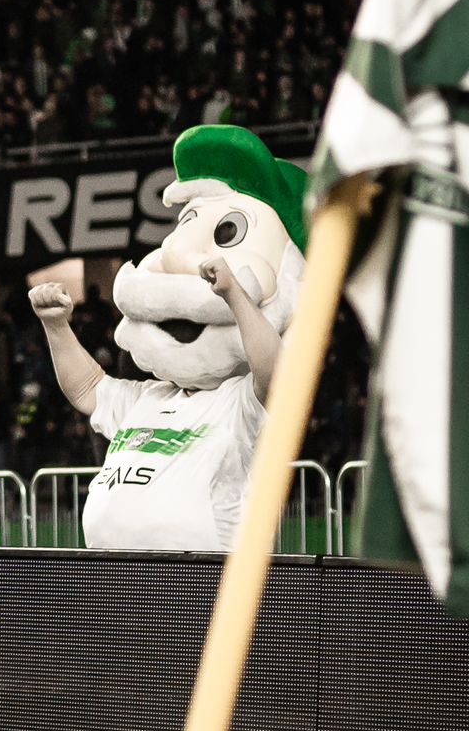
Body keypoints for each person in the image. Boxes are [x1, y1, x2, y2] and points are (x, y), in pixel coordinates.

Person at [30, 125, 307, 553]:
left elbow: (276, 375)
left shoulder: (238, 402)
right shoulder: (146, 397)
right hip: (121, 585)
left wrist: (234, 294)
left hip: (207, 587)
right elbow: (86, 387)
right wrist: (56, 326)